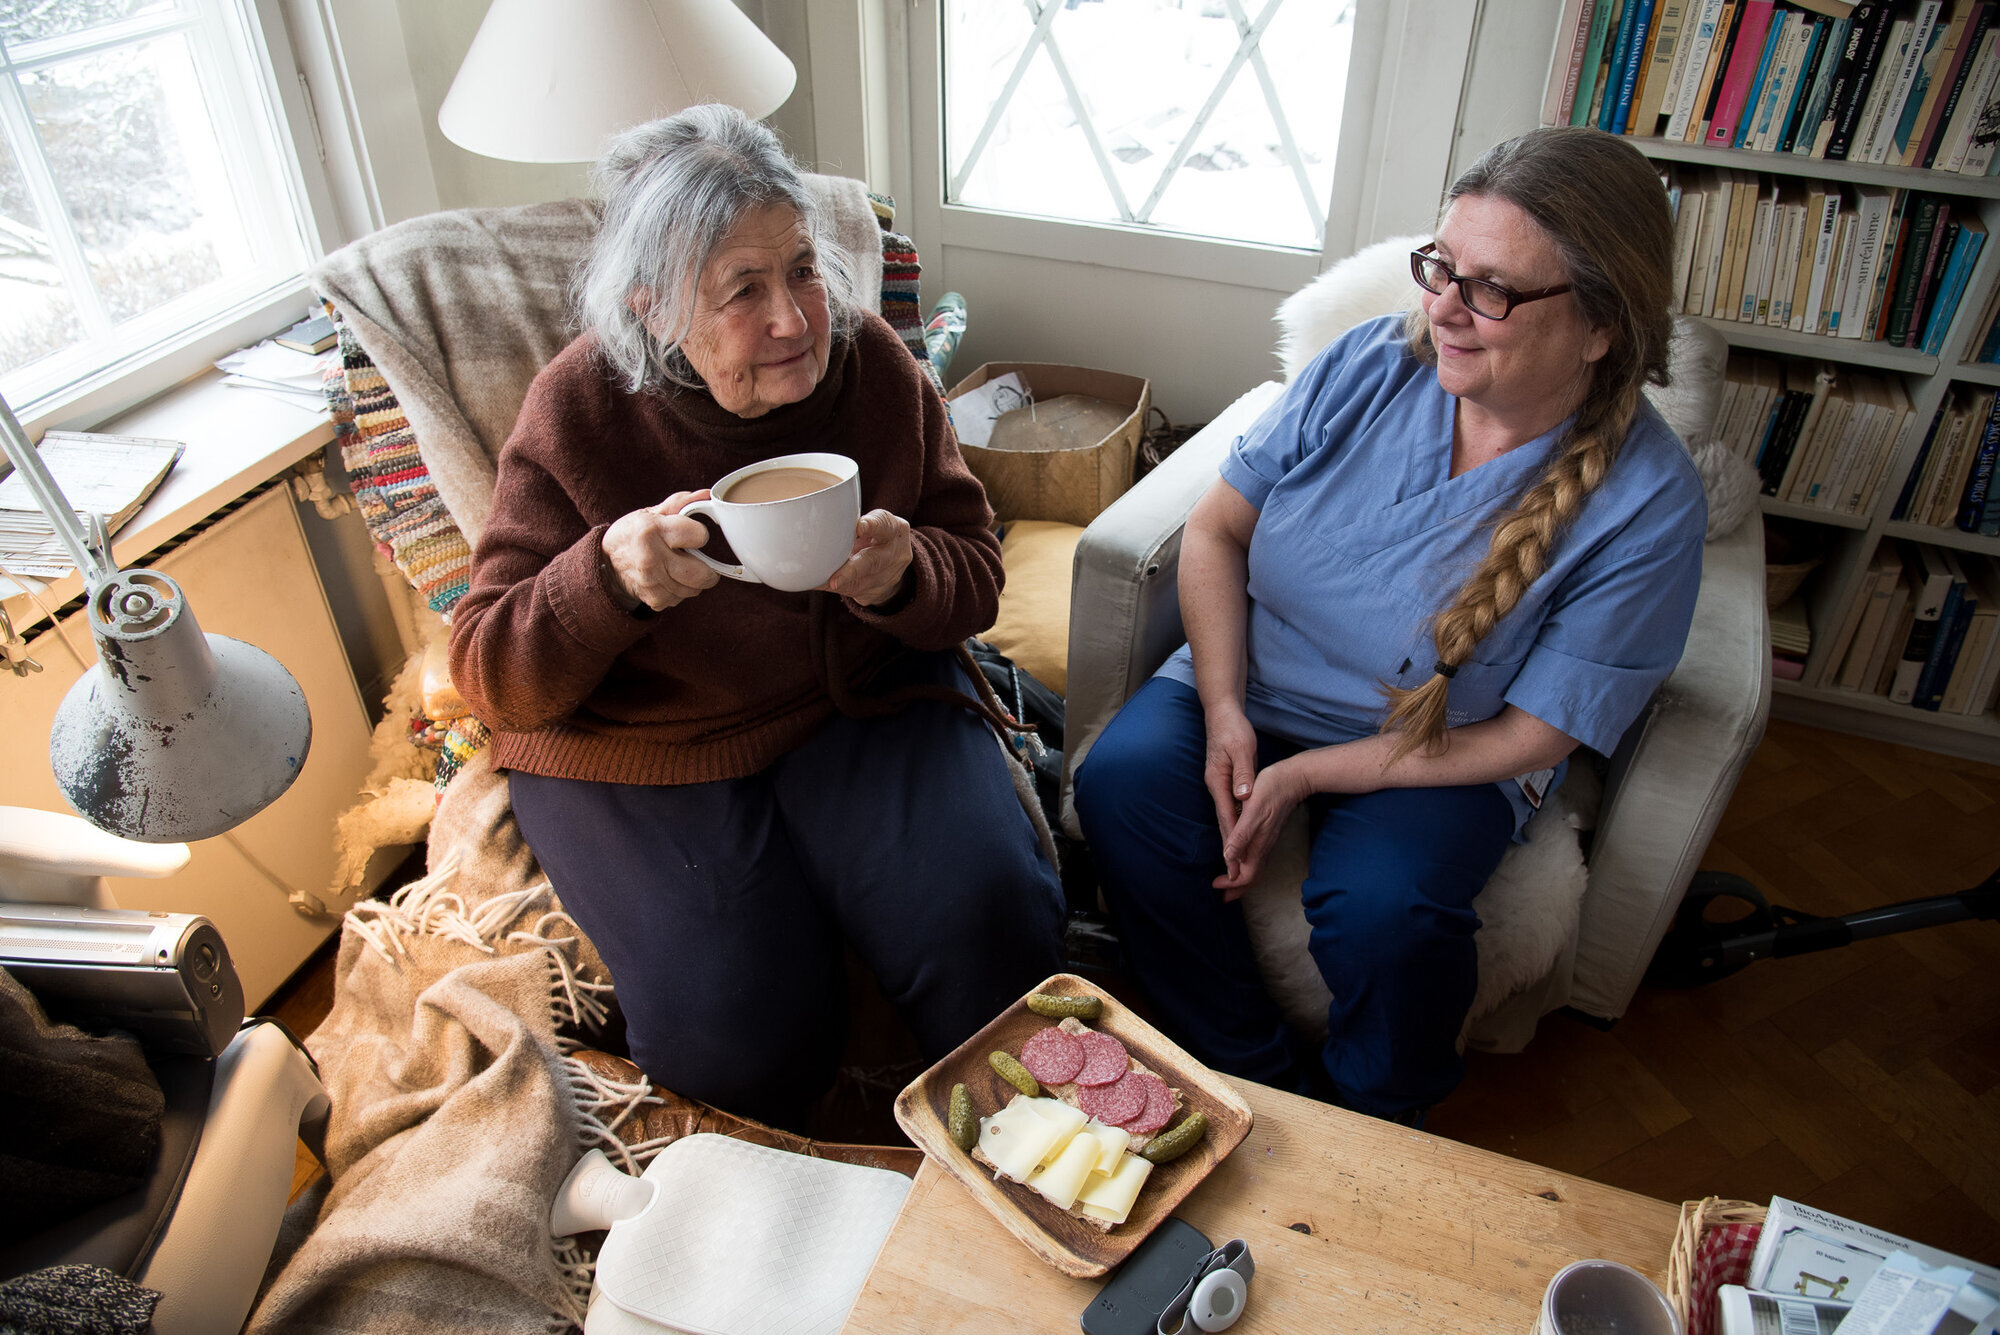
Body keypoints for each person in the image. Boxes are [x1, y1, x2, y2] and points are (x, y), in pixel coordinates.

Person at [1073, 127, 1707, 1125]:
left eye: (1490, 289)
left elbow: (1530, 737)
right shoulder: (1369, 365)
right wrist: (1226, 709)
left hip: (1445, 741)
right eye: (1439, 268)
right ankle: (1247, 1076)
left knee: (1385, 914)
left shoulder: (1647, 503)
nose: (1443, 309)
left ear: (1597, 325)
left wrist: (1301, 775)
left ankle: (1375, 1122)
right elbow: (1214, 532)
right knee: (1121, 786)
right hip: (1258, 673)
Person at [449, 104, 1063, 1130]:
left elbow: (975, 570)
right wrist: (608, 582)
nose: (794, 319)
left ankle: (1007, 1166)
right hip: (644, 741)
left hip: (857, 701)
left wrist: (903, 574)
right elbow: (487, 669)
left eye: (803, 271)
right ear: (652, 309)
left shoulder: (870, 367)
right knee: (732, 1037)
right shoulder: (581, 409)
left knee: (991, 931)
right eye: (742, 290)